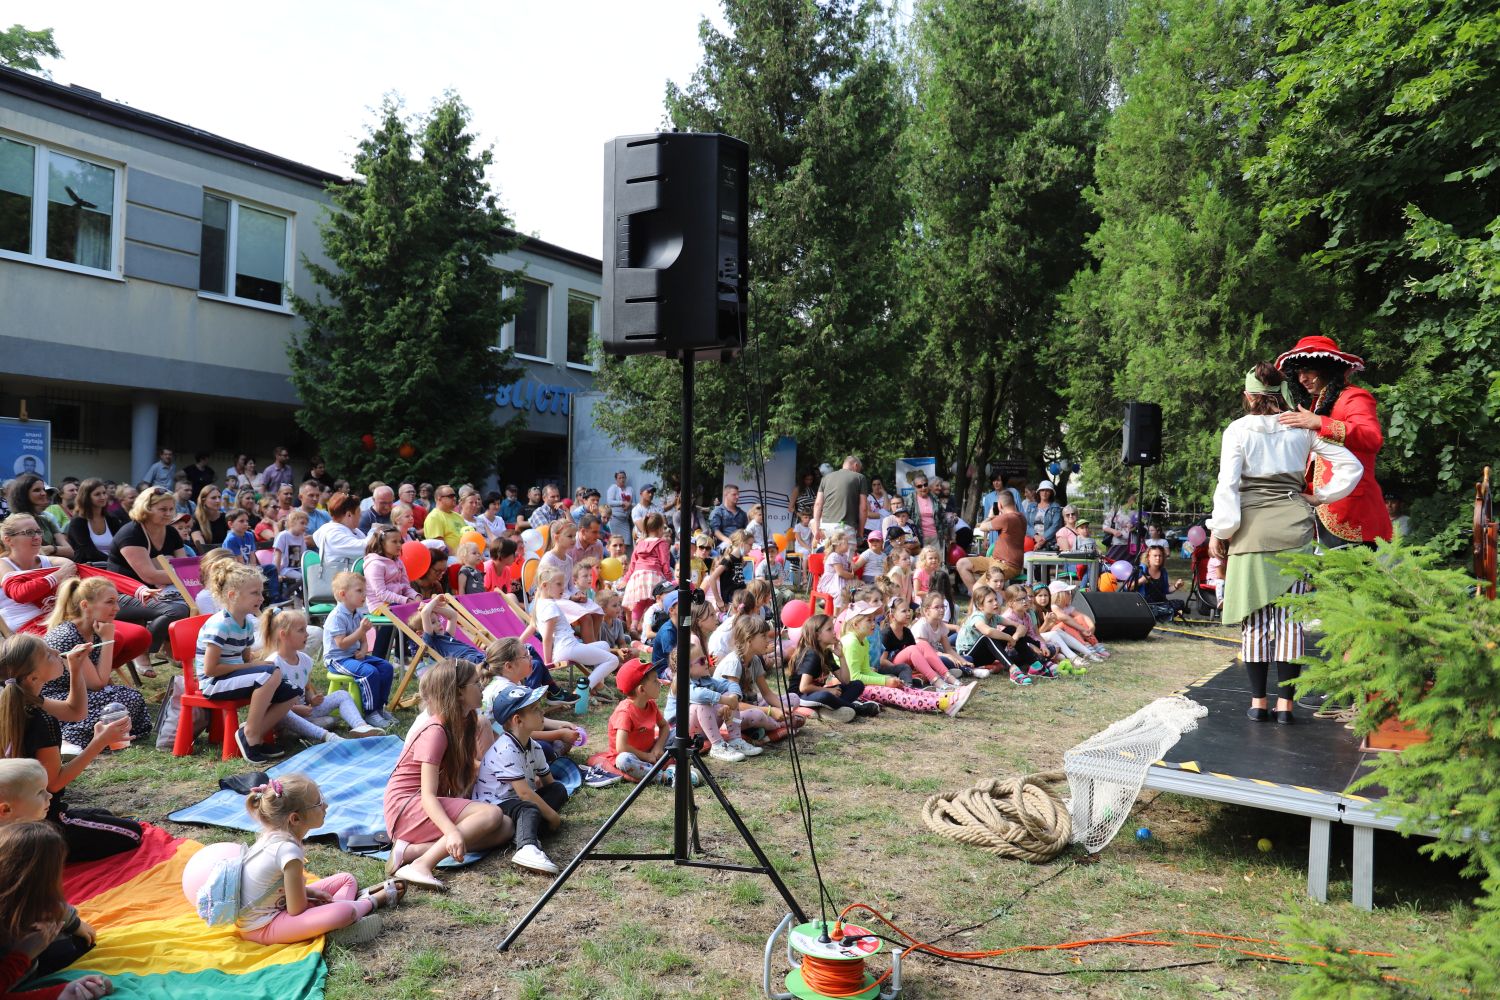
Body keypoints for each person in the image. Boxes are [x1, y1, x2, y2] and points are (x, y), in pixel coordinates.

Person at [1208, 362, 1361, 723]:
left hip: (1252, 531)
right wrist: (1321, 496)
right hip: (1295, 529)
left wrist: (1221, 530)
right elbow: (1351, 465)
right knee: (1290, 621)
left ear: (1248, 396)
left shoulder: (1237, 430)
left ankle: (1258, 704)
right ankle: (1285, 707)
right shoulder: (1298, 426)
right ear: (1281, 393)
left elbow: (1227, 486)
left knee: (1256, 620)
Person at [0, 634, 141, 861]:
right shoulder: (39, 718)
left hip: (14, 814)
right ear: (33, 676)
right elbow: (54, 783)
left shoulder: (14, 696)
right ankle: (36, 853)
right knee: (132, 833)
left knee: (103, 815)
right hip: (42, 818)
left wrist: (76, 668)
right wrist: (99, 743)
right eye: (48, 654)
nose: (57, 653)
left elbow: (75, 712)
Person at [382, 659, 513, 890]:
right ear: (459, 692)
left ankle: (411, 851)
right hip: (406, 807)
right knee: (491, 815)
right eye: (475, 682)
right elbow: (427, 796)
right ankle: (422, 864)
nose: (482, 685)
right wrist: (452, 832)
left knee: (506, 827)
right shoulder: (435, 731)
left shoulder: (469, 720)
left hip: (425, 805)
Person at [235, 774, 396, 946]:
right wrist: (312, 901)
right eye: (318, 803)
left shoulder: (273, 836)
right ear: (295, 819)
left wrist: (312, 894)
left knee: (346, 879)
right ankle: (370, 902)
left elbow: (277, 889)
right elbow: (296, 909)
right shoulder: (288, 851)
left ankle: (338, 923)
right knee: (344, 912)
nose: (325, 806)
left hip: (273, 906)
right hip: (262, 927)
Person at [1274, 335, 1393, 546]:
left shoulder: (1355, 397)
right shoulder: (1319, 404)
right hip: (1323, 507)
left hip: (1352, 509)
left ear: (1327, 368)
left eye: (1308, 370)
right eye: (1299, 372)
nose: (1302, 379)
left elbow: (1372, 438)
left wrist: (1321, 422)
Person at [195, 564, 298, 764]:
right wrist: (252, 668)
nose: (261, 598)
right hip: (214, 683)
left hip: (231, 678)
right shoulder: (221, 624)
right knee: (270, 674)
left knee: (291, 692)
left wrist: (259, 663)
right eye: (255, 593)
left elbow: (245, 659)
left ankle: (254, 733)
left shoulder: (247, 623)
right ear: (233, 595)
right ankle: (249, 735)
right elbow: (210, 669)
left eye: (261, 592)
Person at [0, 821, 115, 1000]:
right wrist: (23, 955)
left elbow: (57, 909)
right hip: (15, 968)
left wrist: (65, 991)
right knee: (68, 948)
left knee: (76, 942)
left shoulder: (30, 903)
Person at [41, 578, 152, 745]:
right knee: (125, 699)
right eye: (110, 602)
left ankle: (101, 733)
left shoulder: (92, 629)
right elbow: (98, 684)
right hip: (53, 701)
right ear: (85, 605)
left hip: (77, 694)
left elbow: (103, 681)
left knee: (125, 698)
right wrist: (108, 638)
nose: (117, 608)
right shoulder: (68, 636)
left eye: (116, 601)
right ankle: (70, 736)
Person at [473, 686, 568, 875]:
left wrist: (549, 801)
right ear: (518, 720)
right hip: (495, 804)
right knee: (529, 806)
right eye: (535, 709)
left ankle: (524, 830)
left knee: (559, 789)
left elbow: (549, 783)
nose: (542, 712)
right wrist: (553, 816)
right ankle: (527, 847)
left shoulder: (535, 747)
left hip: (518, 802)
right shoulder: (506, 749)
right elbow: (525, 794)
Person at [262, 608, 382, 745]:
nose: (307, 634)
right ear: (283, 635)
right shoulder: (273, 663)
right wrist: (295, 709)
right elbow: (269, 705)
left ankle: (360, 726)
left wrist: (312, 699)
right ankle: (326, 736)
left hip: (306, 713)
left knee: (342, 695)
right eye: (301, 630)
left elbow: (306, 689)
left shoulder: (305, 660)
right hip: (284, 715)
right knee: (286, 715)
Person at [107, 487, 192, 653]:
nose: (168, 513)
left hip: (158, 591)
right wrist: (182, 575)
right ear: (146, 508)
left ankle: (171, 648)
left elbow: (184, 567)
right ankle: (142, 649)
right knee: (178, 610)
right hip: (122, 594)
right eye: (162, 509)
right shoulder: (131, 533)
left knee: (204, 602)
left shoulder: (171, 532)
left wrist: (182, 574)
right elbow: (150, 576)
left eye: (171, 509)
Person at [323, 572, 398, 728]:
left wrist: (363, 651)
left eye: (364, 590)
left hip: (353, 656)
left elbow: (363, 641)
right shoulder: (336, 616)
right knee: (369, 672)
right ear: (343, 594)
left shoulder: (357, 614)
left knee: (386, 667)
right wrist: (361, 631)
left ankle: (379, 707)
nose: (364, 594)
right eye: (359, 591)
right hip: (337, 659)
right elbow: (341, 644)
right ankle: (370, 712)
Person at [535, 567, 618, 702]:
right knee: (613, 660)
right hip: (567, 648)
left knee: (604, 645)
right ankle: (585, 689)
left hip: (567, 647)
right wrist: (547, 662)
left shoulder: (541, 604)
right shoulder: (550, 606)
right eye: (559, 584)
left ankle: (598, 686)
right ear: (544, 586)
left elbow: (534, 626)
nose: (564, 587)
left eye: (563, 583)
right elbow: (547, 637)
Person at [597, 659, 673, 783]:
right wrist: (647, 756)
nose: (659, 683)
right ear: (642, 690)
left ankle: (657, 764)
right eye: (655, 680)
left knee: (678, 733)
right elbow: (621, 748)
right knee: (624, 760)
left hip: (649, 749)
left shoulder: (651, 705)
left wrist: (658, 747)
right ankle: (663, 777)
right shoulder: (625, 712)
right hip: (632, 756)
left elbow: (664, 727)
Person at [789, 614, 864, 722]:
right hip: (799, 697)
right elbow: (803, 687)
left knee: (857, 684)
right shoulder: (812, 654)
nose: (834, 632)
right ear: (817, 635)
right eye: (829, 629)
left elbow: (846, 680)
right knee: (825, 696)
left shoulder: (826, 653)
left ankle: (828, 709)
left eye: (833, 628)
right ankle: (856, 708)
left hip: (816, 693)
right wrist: (828, 691)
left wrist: (841, 656)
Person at [955, 585, 1030, 685]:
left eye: (995, 599)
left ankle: (1033, 663)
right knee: (987, 637)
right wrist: (1008, 638)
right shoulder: (977, 616)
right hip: (968, 656)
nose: (995, 603)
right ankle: (1013, 670)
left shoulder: (995, 617)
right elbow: (988, 631)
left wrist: (1015, 636)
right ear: (980, 606)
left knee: (1011, 629)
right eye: (990, 601)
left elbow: (1021, 627)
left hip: (984, 656)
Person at [6, 477, 72, 560]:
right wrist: (57, 554)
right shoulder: (12, 523)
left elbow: (70, 551)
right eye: (37, 490)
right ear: (23, 495)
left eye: (43, 489)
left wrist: (51, 548)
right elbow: (28, 557)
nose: (44, 493)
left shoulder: (46, 520)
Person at [63, 479, 124, 568]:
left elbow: (121, 545)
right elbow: (88, 552)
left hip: (113, 568)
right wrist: (115, 561)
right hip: (88, 569)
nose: (103, 497)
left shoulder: (112, 519)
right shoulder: (78, 522)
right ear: (86, 497)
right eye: (97, 494)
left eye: (104, 493)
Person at [810, 457, 869, 546]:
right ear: (856, 465)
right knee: (845, 559)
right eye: (859, 470)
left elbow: (818, 504)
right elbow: (863, 508)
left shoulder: (826, 478)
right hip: (845, 526)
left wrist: (817, 528)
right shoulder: (860, 477)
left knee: (829, 557)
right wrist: (860, 533)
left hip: (826, 526)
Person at [311, 494, 366, 570]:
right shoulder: (332, 533)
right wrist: (375, 532)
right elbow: (365, 549)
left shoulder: (353, 530)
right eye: (358, 511)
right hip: (336, 580)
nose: (361, 515)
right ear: (349, 514)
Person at [1131, 545, 1185, 622]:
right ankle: (1163, 614)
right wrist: (1141, 581)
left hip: (1160, 603)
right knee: (1165, 610)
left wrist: (1176, 586)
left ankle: (1162, 614)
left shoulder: (1163, 571)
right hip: (1144, 604)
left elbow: (1166, 590)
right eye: (1155, 556)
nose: (1158, 558)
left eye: (1160, 556)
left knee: (1180, 603)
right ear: (1148, 557)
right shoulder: (1141, 569)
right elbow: (1127, 587)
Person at [906, 474, 951, 553]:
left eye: (925, 485)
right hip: (919, 538)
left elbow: (942, 516)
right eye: (919, 486)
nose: (923, 488)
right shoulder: (910, 499)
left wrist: (946, 533)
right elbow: (907, 518)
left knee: (937, 562)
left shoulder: (934, 498)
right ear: (915, 488)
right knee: (923, 563)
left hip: (936, 536)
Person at [815, 528, 857, 611]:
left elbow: (847, 569)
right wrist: (851, 576)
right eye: (846, 543)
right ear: (839, 544)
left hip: (841, 581)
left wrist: (851, 563)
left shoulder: (844, 556)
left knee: (854, 590)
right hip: (830, 582)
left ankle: (847, 611)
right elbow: (840, 572)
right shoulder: (834, 556)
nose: (848, 545)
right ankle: (836, 615)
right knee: (840, 592)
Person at [1021, 480, 1063, 552]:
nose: (1044, 493)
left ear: (1051, 493)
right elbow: (1026, 524)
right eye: (1042, 490)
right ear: (1039, 492)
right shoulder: (1031, 506)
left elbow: (1056, 525)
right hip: (1031, 542)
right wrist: (1035, 536)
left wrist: (1043, 539)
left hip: (1049, 543)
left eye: (1047, 490)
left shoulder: (1056, 507)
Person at [423, 486, 466, 553]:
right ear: (439, 498)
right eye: (451, 496)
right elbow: (439, 546)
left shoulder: (458, 516)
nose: (454, 498)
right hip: (450, 559)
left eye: (455, 496)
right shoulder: (434, 517)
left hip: (466, 556)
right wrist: (459, 557)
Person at [604, 471, 634, 547]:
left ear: (626, 478)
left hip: (625, 520)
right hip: (615, 519)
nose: (622, 479)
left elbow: (634, 503)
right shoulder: (613, 488)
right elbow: (610, 501)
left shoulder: (629, 489)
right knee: (614, 542)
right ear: (616, 479)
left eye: (623, 477)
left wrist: (629, 504)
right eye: (619, 478)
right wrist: (622, 503)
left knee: (625, 543)